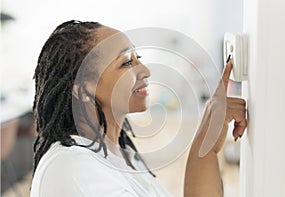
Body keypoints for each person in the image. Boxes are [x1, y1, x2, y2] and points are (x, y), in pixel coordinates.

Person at [30, 20, 247, 197]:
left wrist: (208, 140)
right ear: (84, 88)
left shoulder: (124, 156)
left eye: (138, 58)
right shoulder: (73, 168)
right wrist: (205, 145)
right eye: (126, 62)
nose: (145, 71)